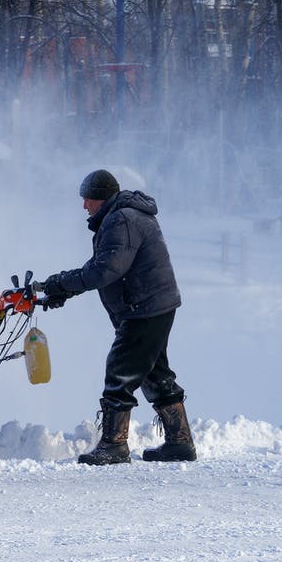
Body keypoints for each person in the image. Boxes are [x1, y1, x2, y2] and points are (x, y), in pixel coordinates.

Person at [42, 169, 197, 465]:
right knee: (155, 374)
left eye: (88, 198)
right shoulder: (122, 216)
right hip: (152, 305)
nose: (84, 205)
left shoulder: (122, 219)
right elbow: (103, 265)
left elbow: (105, 270)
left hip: (144, 308)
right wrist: (63, 289)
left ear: (101, 197)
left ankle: (114, 444)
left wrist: (61, 283)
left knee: (120, 371)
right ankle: (180, 442)